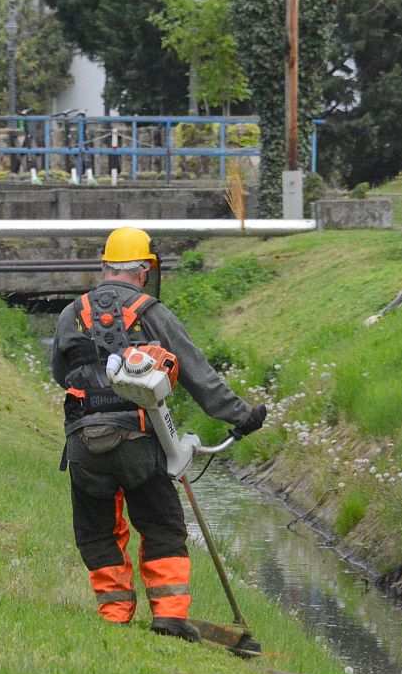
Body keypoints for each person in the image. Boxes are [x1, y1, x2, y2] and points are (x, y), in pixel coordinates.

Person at [51, 227, 267, 642]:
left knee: (97, 531)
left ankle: (114, 615)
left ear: (104, 266)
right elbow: (198, 375)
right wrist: (242, 417)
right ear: (144, 271)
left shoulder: (70, 314)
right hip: (140, 442)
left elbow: (61, 374)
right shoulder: (152, 312)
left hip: (83, 442)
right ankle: (168, 617)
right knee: (162, 526)